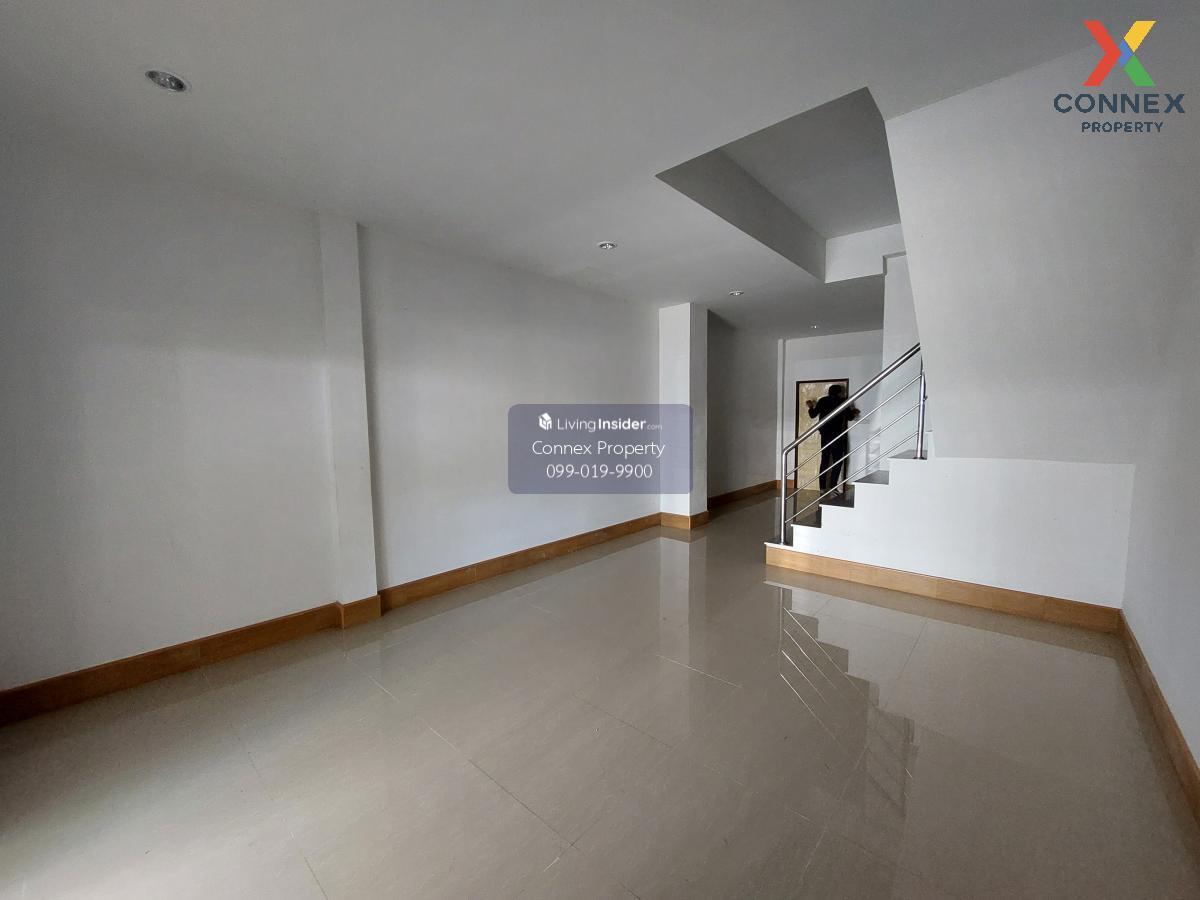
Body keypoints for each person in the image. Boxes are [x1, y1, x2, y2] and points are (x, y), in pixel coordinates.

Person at [806, 384, 859, 495]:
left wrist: (810, 407)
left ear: (829, 392)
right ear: (840, 392)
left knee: (824, 461)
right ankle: (833, 487)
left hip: (825, 434)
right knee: (837, 461)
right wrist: (854, 412)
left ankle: (822, 488)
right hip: (837, 435)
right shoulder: (842, 401)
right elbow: (849, 417)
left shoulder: (822, 401)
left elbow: (813, 415)